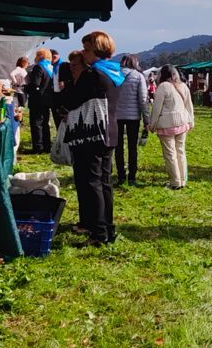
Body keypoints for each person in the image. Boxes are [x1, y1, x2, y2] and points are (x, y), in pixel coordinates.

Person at [51, 30, 124, 247]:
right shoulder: (113, 72)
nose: (83, 53)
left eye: (86, 49)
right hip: (109, 132)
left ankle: (98, 232)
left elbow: (71, 100)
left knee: (92, 183)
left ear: (96, 50)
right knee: (104, 182)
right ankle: (107, 228)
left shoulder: (92, 75)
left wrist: (66, 85)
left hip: (91, 134)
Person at [147, 64, 195, 189]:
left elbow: (156, 109)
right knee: (181, 152)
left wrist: (152, 125)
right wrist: (191, 121)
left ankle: (175, 182)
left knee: (170, 154)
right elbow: (189, 105)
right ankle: (183, 180)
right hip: (182, 123)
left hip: (166, 125)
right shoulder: (183, 86)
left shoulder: (163, 87)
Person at [110, 53, 150, 187]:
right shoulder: (138, 76)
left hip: (116, 116)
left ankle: (121, 175)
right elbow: (143, 100)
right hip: (133, 117)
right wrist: (146, 119)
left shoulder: (114, 74)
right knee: (133, 147)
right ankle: (132, 176)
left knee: (118, 147)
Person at [25, 48, 56, 154]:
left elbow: (35, 84)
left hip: (37, 100)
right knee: (45, 123)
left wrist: (25, 88)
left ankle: (38, 147)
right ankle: (47, 146)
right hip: (47, 100)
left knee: (36, 124)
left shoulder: (39, 67)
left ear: (40, 56)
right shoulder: (50, 67)